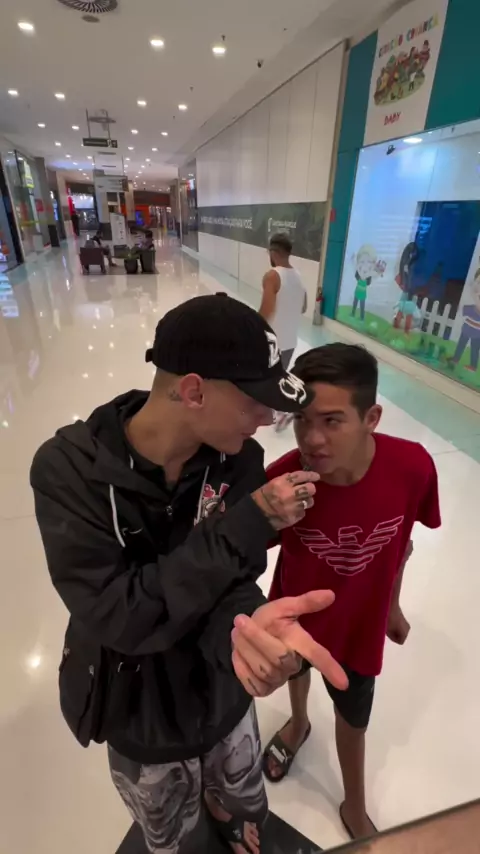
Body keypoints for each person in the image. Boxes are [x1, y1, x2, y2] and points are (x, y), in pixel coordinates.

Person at [30, 294, 348, 854]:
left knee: (242, 797)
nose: (267, 419)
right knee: (168, 833)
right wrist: (244, 523)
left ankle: (228, 812)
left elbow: (236, 580)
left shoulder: (238, 459)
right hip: (141, 713)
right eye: (254, 401)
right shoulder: (69, 471)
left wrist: (246, 630)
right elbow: (120, 614)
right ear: (195, 391)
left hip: (222, 696)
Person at [262, 343, 441, 841]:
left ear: (371, 418)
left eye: (332, 421)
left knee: (353, 717)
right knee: (295, 672)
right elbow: (238, 550)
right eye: (301, 420)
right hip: (295, 617)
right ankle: (298, 723)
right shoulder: (283, 480)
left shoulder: (412, 468)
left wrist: (393, 606)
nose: (311, 439)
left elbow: (401, 543)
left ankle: (354, 803)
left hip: (359, 628)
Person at [259, 233, 307, 432]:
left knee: (265, 376)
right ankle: (281, 409)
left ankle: (278, 410)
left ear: (273, 252)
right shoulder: (298, 275)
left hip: (272, 339)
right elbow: (303, 307)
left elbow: (267, 310)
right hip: (290, 339)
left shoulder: (272, 276)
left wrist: (252, 328)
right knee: (278, 375)